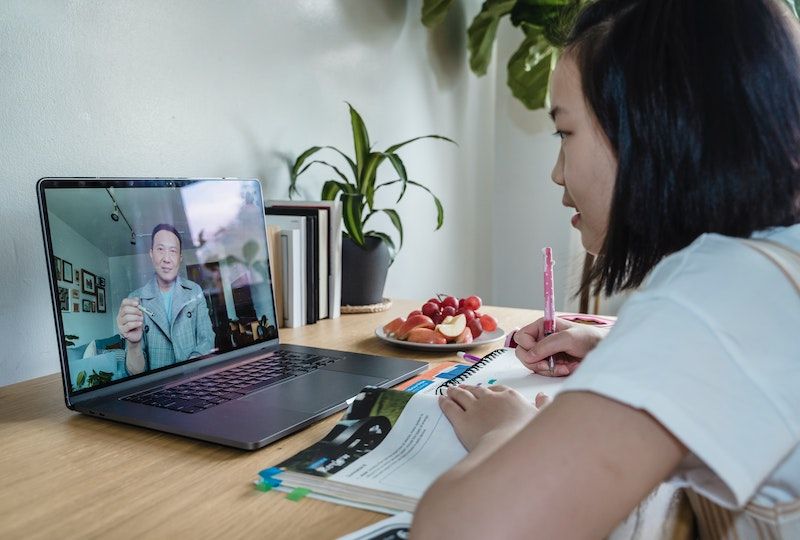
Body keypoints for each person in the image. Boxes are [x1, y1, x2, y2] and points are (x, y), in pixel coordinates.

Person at [412, 0, 800, 537]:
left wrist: (508, 432)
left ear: (656, 128)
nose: (556, 173)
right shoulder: (774, 267)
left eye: (564, 134)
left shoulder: (729, 289)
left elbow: (460, 532)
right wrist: (622, 355)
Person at [116, 223, 214, 375]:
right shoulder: (135, 300)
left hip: (195, 380)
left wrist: (191, 368)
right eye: (160, 249)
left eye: (173, 251)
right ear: (151, 254)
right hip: (157, 391)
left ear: (180, 257)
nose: (166, 259)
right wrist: (133, 344)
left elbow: (207, 339)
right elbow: (135, 373)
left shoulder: (194, 291)